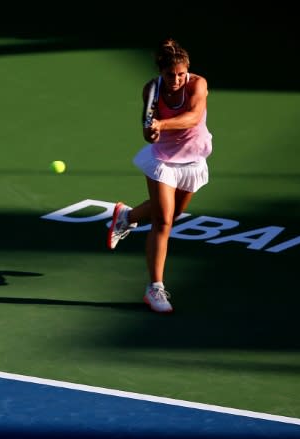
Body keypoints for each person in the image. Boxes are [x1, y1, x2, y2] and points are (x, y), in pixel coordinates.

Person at [107, 38, 213, 314]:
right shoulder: (151, 90)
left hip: (193, 159)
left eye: (181, 74)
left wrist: (162, 124)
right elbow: (147, 131)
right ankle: (154, 287)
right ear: (160, 72)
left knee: (173, 213)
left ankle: (126, 217)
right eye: (170, 75)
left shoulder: (198, 84)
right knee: (163, 221)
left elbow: (193, 116)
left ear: (188, 70)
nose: (176, 79)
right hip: (163, 161)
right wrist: (152, 131)